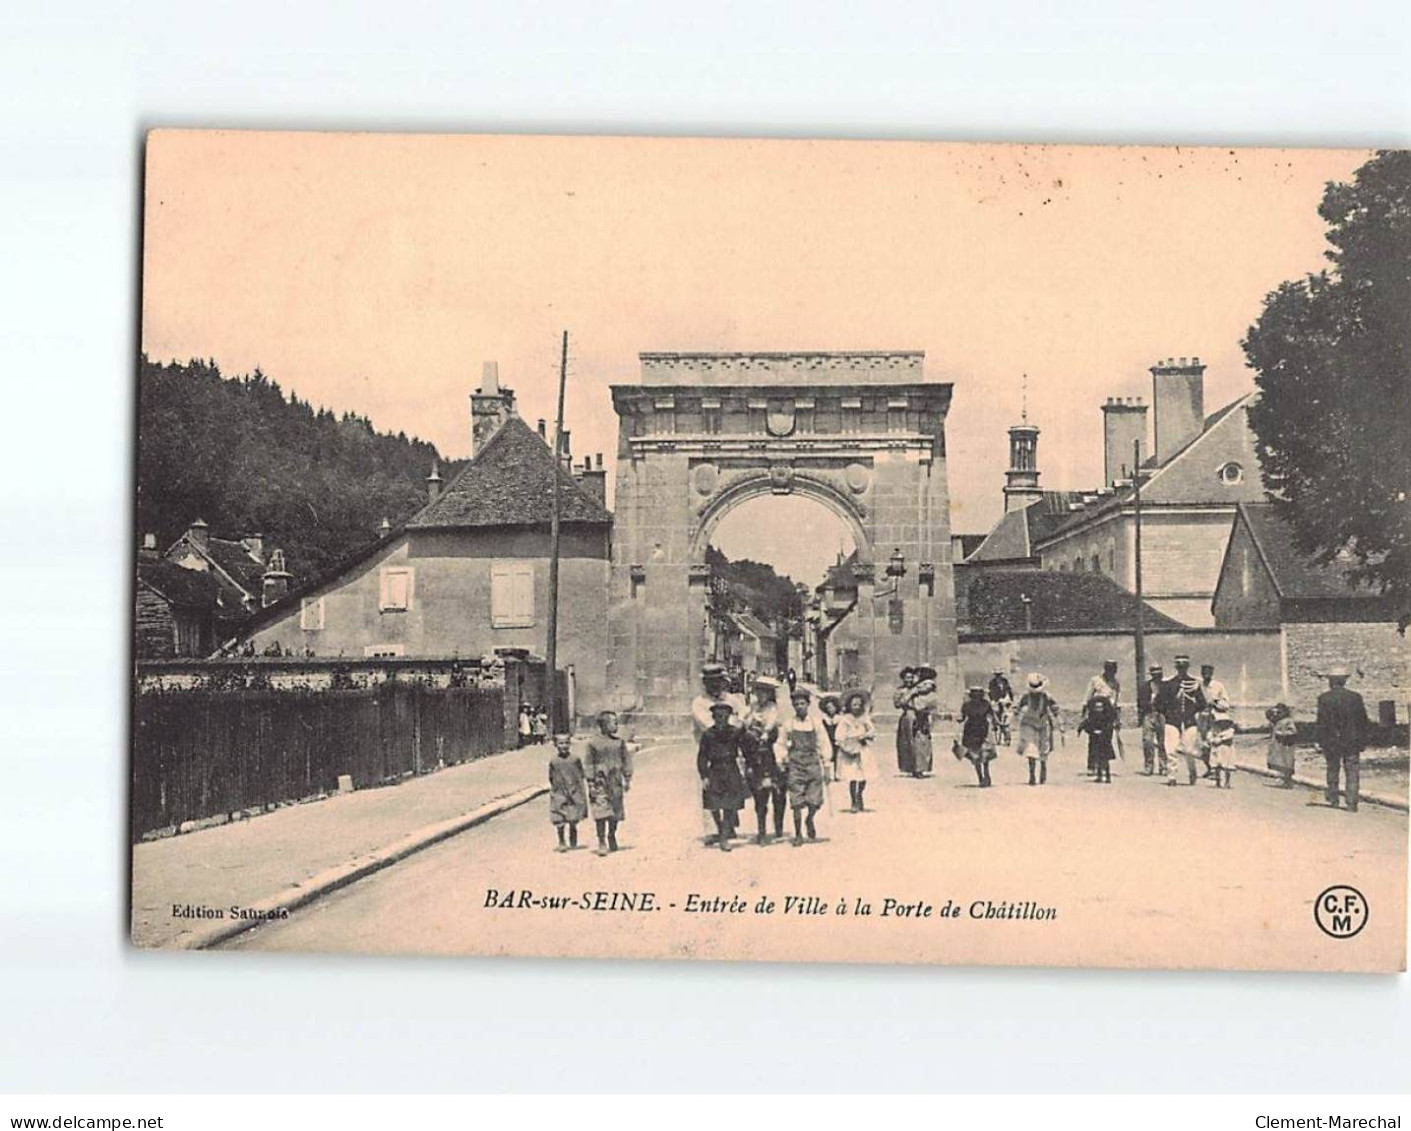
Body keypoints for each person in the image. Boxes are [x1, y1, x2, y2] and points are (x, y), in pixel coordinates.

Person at [775, 688, 833, 846]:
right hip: (795, 766)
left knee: (814, 801)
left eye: (802, 703)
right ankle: (798, 833)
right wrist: (781, 760)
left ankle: (809, 820)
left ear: (808, 704)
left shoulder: (816, 723)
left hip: (813, 764)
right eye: (797, 704)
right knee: (796, 802)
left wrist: (827, 766)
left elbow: (824, 744)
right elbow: (780, 744)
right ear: (793, 706)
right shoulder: (788, 724)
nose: (800, 706)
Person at [1316, 665, 1369, 812]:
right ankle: (1352, 802)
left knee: (1333, 769)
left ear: (1331, 681)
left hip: (1331, 741)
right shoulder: (1355, 697)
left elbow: (1322, 722)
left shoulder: (1324, 698)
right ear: (1345, 680)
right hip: (1352, 741)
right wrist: (1363, 741)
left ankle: (1333, 798)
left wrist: (1320, 741)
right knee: (1352, 771)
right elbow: (1362, 721)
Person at [741, 677, 786, 843]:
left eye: (764, 692)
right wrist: (749, 721)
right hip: (756, 752)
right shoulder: (753, 707)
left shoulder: (773, 708)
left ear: (769, 694)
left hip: (772, 749)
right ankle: (761, 830)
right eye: (758, 692)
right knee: (760, 796)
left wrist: (765, 731)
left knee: (778, 793)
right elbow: (745, 722)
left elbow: (772, 724)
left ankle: (779, 826)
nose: (761, 695)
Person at [698, 701, 748, 851]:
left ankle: (724, 837)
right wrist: (704, 776)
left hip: (731, 769)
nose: (721, 720)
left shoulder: (734, 732)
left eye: (724, 717)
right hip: (715, 770)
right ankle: (721, 830)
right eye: (718, 717)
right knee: (713, 804)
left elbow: (745, 748)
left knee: (729, 805)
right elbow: (702, 757)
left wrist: (746, 768)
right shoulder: (708, 734)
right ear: (714, 718)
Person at [585, 709, 634, 855]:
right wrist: (591, 784)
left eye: (616, 722)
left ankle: (611, 834)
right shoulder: (593, 744)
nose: (616, 725)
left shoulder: (619, 743)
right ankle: (601, 841)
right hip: (600, 783)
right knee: (601, 813)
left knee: (615, 813)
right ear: (604, 725)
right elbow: (589, 764)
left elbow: (626, 761)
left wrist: (627, 778)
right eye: (613, 722)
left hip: (616, 783)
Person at [1158, 655, 1206, 787]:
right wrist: (1168, 713)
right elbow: (1159, 703)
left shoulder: (1194, 683)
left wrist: (1192, 710)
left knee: (1189, 751)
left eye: (1184, 667)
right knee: (1171, 749)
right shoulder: (1168, 683)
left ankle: (1192, 773)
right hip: (1172, 721)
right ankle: (1171, 776)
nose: (1181, 669)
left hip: (1189, 721)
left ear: (1187, 667)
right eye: (1179, 667)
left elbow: (1202, 703)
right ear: (1176, 667)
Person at [833, 690, 878, 812]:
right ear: (849, 706)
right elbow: (839, 736)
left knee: (864, 775)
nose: (856, 707)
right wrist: (846, 746)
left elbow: (872, 731)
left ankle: (860, 794)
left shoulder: (864, 718)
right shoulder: (845, 720)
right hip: (850, 749)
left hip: (862, 749)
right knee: (852, 776)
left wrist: (866, 735)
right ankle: (853, 800)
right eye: (854, 705)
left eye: (859, 705)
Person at [1013, 673, 1061, 785]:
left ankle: (1043, 768)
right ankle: (1032, 775)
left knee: (1044, 749)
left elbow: (1055, 710)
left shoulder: (1047, 696)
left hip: (1043, 724)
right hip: (1028, 724)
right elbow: (1017, 709)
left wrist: (1060, 725)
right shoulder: (1025, 697)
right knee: (1031, 749)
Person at [692, 662, 749, 744]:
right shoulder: (699, 703)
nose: (715, 684)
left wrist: (740, 719)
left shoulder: (730, 698)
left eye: (718, 680)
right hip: (710, 750)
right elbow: (713, 727)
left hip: (731, 748)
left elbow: (745, 713)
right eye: (711, 681)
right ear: (704, 682)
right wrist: (737, 720)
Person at [548, 733, 587, 852]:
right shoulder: (554, 761)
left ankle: (573, 834)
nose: (564, 746)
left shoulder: (575, 759)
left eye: (566, 743)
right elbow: (551, 777)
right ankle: (561, 841)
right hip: (559, 791)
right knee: (559, 817)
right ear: (555, 745)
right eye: (561, 743)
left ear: (570, 744)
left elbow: (580, 774)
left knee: (573, 816)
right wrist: (556, 789)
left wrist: (578, 790)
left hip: (573, 791)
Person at [1083, 661, 1122, 776]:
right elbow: (1087, 697)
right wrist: (1084, 714)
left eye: (1113, 670)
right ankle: (1092, 765)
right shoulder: (1095, 680)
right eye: (1109, 670)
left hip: (1108, 715)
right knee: (1094, 739)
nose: (1112, 673)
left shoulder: (1115, 684)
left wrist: (1117, 719)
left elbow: (1117, 702)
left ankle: (1103, 765)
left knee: (1106, 740)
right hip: (1095, 714)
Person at [959, 686, 996, 787]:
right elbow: (962, 717)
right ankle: (981, 777)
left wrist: (996, 724)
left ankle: (985, 774)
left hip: (981, 730)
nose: (976, 696)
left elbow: (992, 716)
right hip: (972, 732)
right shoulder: (967, 705)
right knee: (976, 756)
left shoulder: (985, 704)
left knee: (983, 755)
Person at [1078, 690, 1117, 784]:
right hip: (1095, 740)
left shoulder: (1107, 717)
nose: (1098, 709)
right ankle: (1099, 776)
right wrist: (1090, 731)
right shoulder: (1092, 717)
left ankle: (1107, 776)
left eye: (1100, 707)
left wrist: (1103, 732)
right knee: (1098, 758)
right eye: (1097, 707)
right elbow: (1087, 725)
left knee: (1105, 759)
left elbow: (1109, 726)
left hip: (1104, 740)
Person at [909, 665, 940, 777]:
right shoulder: (925, 686)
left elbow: (924, 691)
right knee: (920, 742)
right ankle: (918, 768)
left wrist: (914, 690)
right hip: (922, 713)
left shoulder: (926, 684)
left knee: (921, 742)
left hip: (923, 712)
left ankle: (919, 767)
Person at [1138, 663, 1166, 776]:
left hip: (1162, 715)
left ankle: (1163, 766)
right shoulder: (1145, 687)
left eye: (1158, 673)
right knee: (1148, 741)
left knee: (1163, 742)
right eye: (1154, 674)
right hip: (1149, 715)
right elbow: (1140, 702)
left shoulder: (1166, 686)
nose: (1157, 676)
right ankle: (1148, 765)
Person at [1206, 695, 1237, 789]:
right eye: (1219, 722)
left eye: (1224, 722)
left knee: (1226, 766)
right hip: (1216, 749)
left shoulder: (1229, 730)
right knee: (1217, 766)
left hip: (1226, 749)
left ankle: (1227, 782)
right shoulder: (1214, 729)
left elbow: (1229, 736)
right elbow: (1209, 735)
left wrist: (1220, 739)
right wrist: (1211, 740)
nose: (1221, 724)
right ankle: (1218, 781)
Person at [1265, 702, 1299, 787]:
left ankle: (1287, 781)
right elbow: (1267, 714)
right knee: (1280, 762)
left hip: (1286, 745)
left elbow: (1293, 731)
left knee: (1286, 762)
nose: (1276, 714)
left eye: (1279, 712)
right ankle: (1284, 780)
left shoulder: (1288, 721)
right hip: (1278, 746)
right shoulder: (1276, 721)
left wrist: (1282, 733)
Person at [893, 667, 918, 776]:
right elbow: (897, 704)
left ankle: (919, 767)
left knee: (919, 743)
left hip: (919, 716)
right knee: (907, 743)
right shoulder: (900, 690)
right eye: (907, 677)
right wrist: (909, 694)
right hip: (907, 717)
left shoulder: (918, 688)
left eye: (911, 677)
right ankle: (909, 767)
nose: (909, 680)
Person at [988, 668, 1014, 745]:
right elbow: (991, 692)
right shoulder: (992, 683)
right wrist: (993, 700)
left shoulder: (1005, 681)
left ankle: (1006, 737)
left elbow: (1009, 690)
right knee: (994, 713)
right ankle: (995, 725)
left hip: (1004, 700)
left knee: (1006, 717)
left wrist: (1011, 699)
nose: (998, 677)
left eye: (999, 675)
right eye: (997, 675)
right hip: (996, 700)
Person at [818, 693, 842, 777]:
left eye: (832, 707)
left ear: (836, 708)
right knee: (827, 755)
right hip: (827, 738)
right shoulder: (825, 719)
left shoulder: (839, 719)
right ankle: (827, 773)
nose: (830, 710)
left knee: (838, 756)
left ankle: (837, 773)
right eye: (828, 708)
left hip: (837, 738)